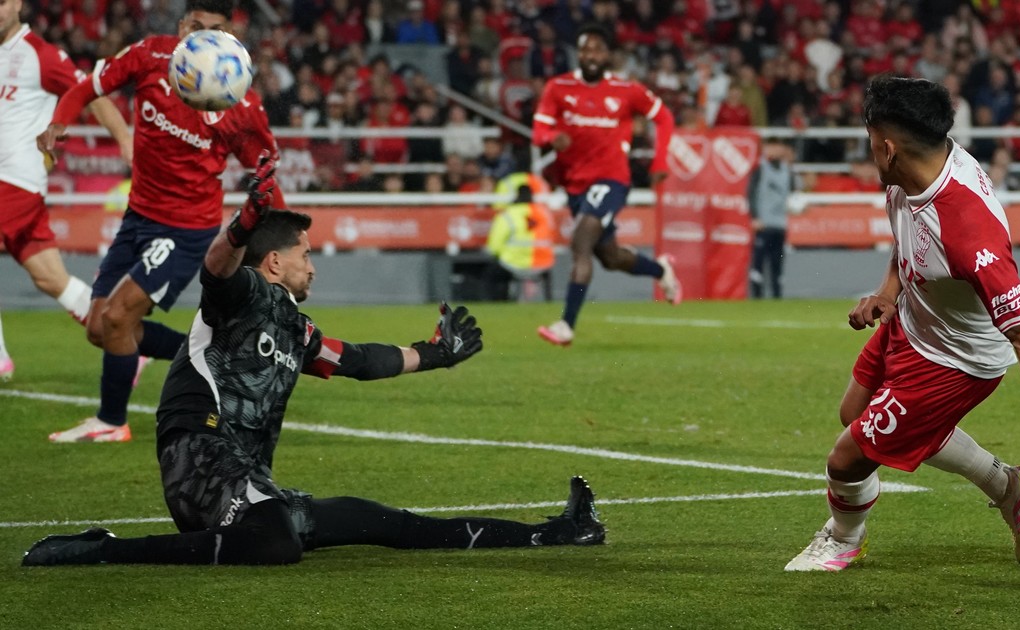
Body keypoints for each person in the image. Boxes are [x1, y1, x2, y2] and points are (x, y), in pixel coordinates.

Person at [22, 157, 605, 566]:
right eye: (304, 254)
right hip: (198, 458)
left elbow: (358, 361)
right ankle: (104, 549)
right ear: (274, 262)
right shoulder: (244, 293)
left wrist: (436, 353)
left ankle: (554, 533)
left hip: (247, 482)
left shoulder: (296, 329)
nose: (313, 266)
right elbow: (215, 269)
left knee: (383, 522)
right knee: (276, 542)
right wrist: (242, 223)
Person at [784, 77, 1020, 573]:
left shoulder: (968, 233)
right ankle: (1008, 486)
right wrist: (887, 294)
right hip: (917, 318)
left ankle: (843, 539)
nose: (868, 152)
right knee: (854, 412)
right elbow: (909, 238)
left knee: (846, 459)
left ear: (888, 148)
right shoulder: (915, 173)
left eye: (870, 141)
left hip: (955, 361)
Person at [37, 0, 283, 443]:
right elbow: (84, 88)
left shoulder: (239, 102)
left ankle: (111, 422)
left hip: (186, 229)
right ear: (182, 24)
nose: (202, 38)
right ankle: (223, 357)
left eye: (214, 31)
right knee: (101, 328)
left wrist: (286, 240)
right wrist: (59, 122)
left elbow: (265, 176)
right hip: (139, 216)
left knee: (118, 319)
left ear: (229, 38)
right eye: (196, 26)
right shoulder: (149, 55)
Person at [0, 0, 132, 381]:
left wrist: (125, 141)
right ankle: (127, 346)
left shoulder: (40, 56)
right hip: (16, 187)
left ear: (18, 4)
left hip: (15, 181)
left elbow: (91, 92)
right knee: (50, 277)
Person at [532, 24, 681, 347]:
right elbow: (538, 131)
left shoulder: (627, 91)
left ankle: (566, 325)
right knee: (610, 258)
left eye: (598, 49)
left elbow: (664, 117)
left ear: (608, 55)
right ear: (578, 53)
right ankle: (660, 271)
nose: (591, 55)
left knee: (581, 241)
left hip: (611, 180)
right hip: (575, 185)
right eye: (586, 49)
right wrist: (551, 138)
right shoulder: (558, 87)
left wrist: (659, 162)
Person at [484, 180, 556, 301]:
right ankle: (549, 300)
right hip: (542, 264)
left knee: (492, 274)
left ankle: (500, 302)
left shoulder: (508, 214)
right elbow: (552, 238)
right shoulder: (545, 214)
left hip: (513, 263)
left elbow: (494, 246)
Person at [746, 139, 793, 299]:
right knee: (759, 263)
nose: (775, 150)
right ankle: (757, 297)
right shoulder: (760, 168)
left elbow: (792, 193)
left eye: (778, 147)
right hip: (763, 224)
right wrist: (755, 217)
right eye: (772, 147)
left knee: (777, 263)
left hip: (780, 224)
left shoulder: (787, 170)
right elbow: (751, 193)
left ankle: (777, 298)